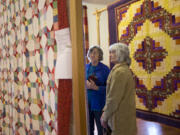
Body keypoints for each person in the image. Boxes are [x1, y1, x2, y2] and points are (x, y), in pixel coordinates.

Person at [100, 42, 137, 135]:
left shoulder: (120, 72)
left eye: (113, 52)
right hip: (122, 114)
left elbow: (113, 98)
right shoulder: (121, 69)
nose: (110, 55)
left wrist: (105, 116)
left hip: (120, 116)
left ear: (121, 54)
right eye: (110, 52)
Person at [86, 46, 110, 135]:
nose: (92, 55)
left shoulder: (105, 69)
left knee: (101, 127)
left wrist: (96, 88)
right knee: (89, 126)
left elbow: (110, 88)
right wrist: (86, 84)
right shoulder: (85, 67)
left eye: (95, 53)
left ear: (100, 55)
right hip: (87, 102)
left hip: (99, 102)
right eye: (91, 53)